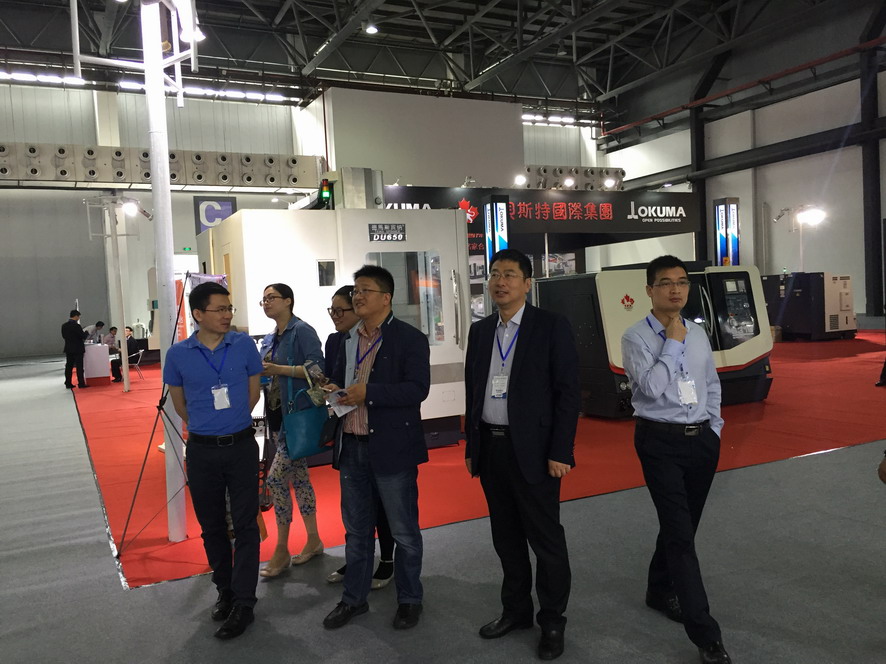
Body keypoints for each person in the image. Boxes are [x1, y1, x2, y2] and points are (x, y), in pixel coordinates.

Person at [464, 248, 580, 661]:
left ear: (527, 284)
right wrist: (472, 445)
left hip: (535, 451)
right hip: (492, 448)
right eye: (495, 274)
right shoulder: (481, 331)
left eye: (510, 274)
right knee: (506, 538)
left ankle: (552, 620)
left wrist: (561, 449)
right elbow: (473, 390)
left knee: (546, 541)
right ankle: (515, 611)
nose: (500, 282)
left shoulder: (550, 326)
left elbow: (568, 392)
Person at [621, 255, 732, 664]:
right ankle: (706, 634)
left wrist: (714, 428)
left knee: (681, 525)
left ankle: (658, 588)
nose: (675, 289)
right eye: (665, 283)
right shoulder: (635, 337)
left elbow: (710, 383)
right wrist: (673, 342)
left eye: (682, 282)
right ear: (649, 290)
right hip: (659, 441)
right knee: (681, 536)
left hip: (701, 440)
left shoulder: (699, 332)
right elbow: (651, 388)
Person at [321, 265, 430, 631]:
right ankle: (354, 599)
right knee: (356, 531)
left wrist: (369, 392)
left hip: (392, 447)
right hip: (352, 445)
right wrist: (334, 391)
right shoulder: (347, 339)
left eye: (365, 290)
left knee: (403, 531)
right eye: (355, 290)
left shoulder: (409, 339)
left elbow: (417, 389)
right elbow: (344, 381)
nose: (357, 296)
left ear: (386, 297)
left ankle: (410, 599)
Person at [163, 281, 263, 640]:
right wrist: (208, 427)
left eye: (229, 308)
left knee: (246, 524)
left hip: (241, 446)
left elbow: (253, 392)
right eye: (220, 309)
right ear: (198, 314)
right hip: (202, 451)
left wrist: (231, 422)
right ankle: (226, 590)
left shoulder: (243, 345)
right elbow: (180, 405)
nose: (227, 315)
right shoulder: (178, 354)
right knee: (212, 525)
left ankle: (245, 602)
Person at [324, 285, 394, 590]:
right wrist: (330, 389)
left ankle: (388, 560)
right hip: (349, 432)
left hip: (380, 433)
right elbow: (335, 377)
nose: (335, 316)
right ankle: (356, 560)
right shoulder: (336, 341)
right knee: (353, 510)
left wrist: (366, 392)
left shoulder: (387, 338)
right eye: (332, 310)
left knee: (384, 506)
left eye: (341, 310)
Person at [256, 283, 325, 578]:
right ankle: (314, 540)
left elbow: (317, 370)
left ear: (288, 301)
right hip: (277, 417)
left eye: (271, 298)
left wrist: (278, 369)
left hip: (297, 418)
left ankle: (282, 548)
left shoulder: (302, 331)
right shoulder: (271, 337)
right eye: (263, 299)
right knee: (300, 478)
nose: (266, 303)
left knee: (275, 480)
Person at [61, 309, 88, 389]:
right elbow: (82, 336)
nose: (78, 318)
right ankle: (81, 383)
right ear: (76, 316)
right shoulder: (77, 326)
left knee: (69, 366)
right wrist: (86, 333)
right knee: (79, 367)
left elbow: (64, 336)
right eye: (78, 317)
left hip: (68, 348)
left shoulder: (64, 325)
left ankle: (68, 383)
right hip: (78, 349)